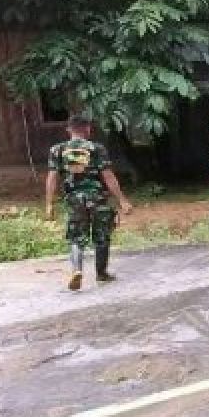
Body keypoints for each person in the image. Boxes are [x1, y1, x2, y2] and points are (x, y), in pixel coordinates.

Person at [45, 115, 133, 291]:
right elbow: (108, 176)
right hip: (97, 198)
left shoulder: (57, 149)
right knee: (102, 235)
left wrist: (49, 204)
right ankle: (101, 273)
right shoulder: (96, 148)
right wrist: (122, 200)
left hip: (74, 200)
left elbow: (52, 177)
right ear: (87, 129)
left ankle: (77, 271)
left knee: (76, 237)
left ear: (69, 130)